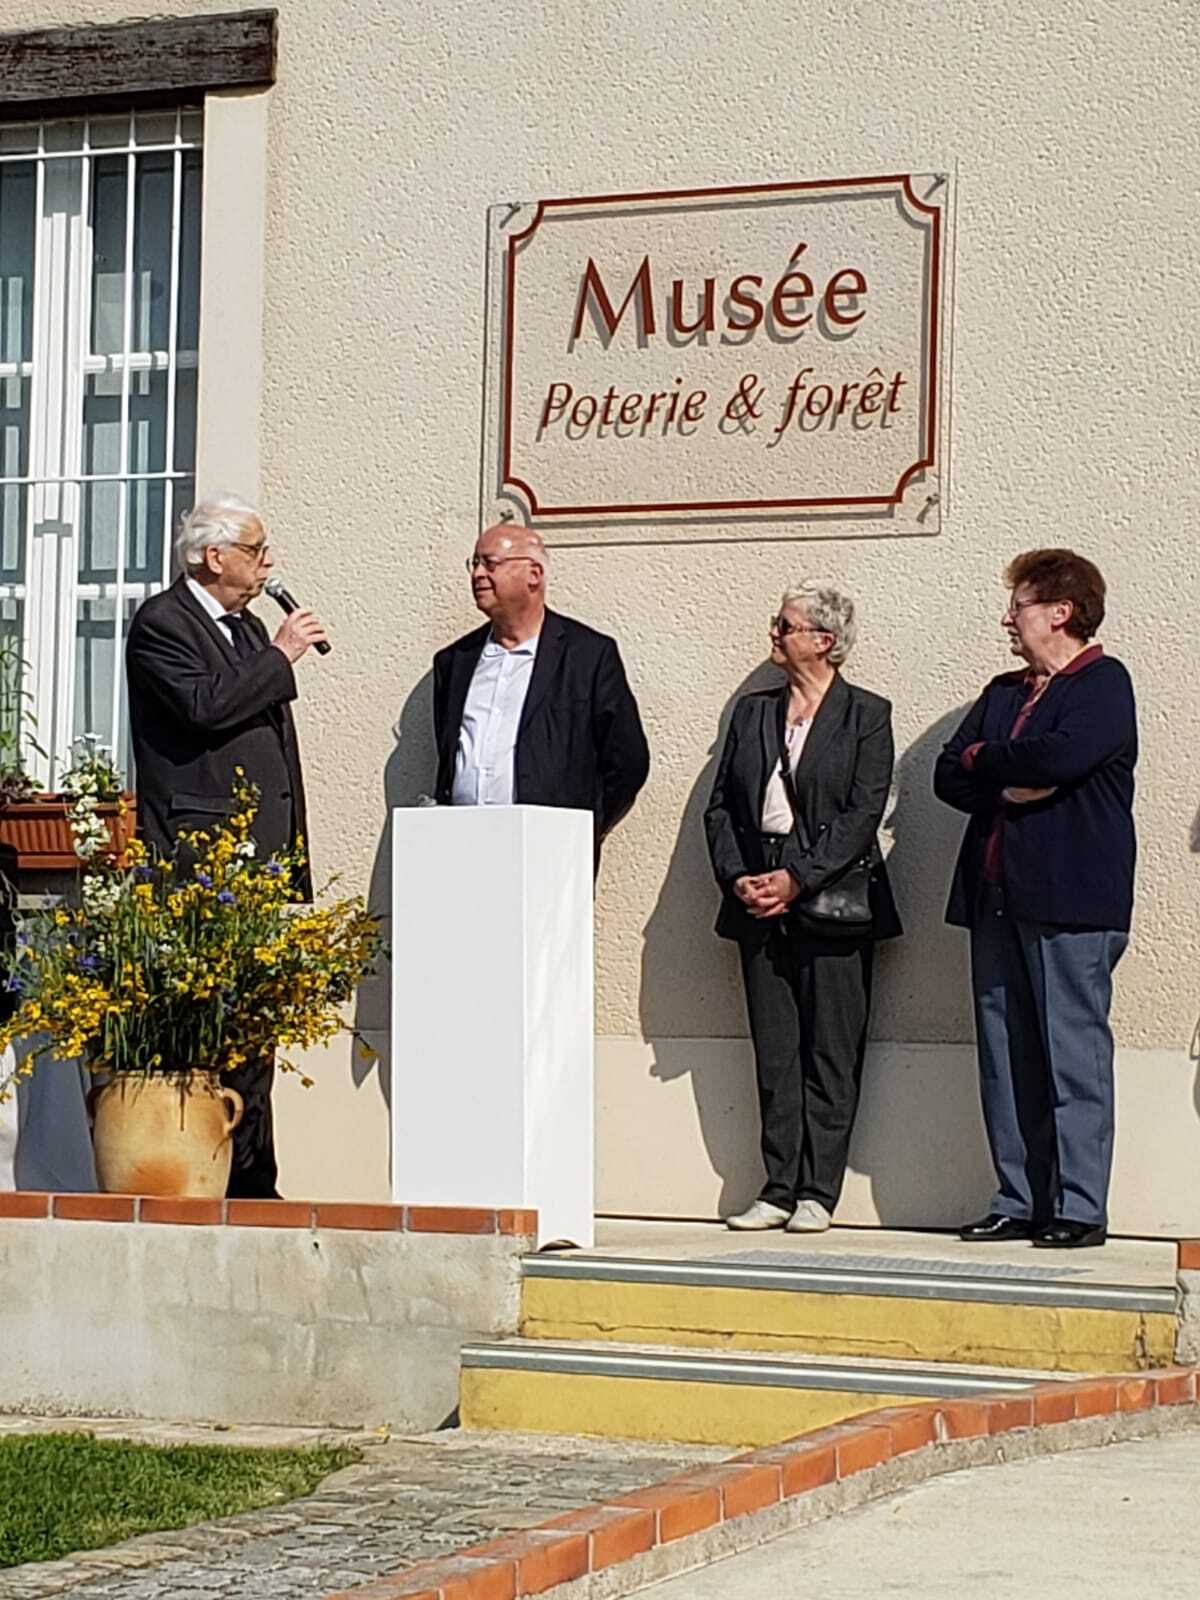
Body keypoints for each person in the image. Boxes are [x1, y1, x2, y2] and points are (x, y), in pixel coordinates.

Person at [125, 494, 328, 1198]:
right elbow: (205, 706)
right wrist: (281, 653)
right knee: (205, 1025)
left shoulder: (242, 630)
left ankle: (254, 1179)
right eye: (256, 550)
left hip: (256, 857)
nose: (268, 564)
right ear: (215, 557)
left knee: (254, 1024)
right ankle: (202, 1175)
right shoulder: (163, 623)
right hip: (199, 857)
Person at [934, 549, 1136, 1250]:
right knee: (1004, 1054)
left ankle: (1078, 1206)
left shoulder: (1104, 684)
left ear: (1061, 611)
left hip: (1071, 902)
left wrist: (984, 760)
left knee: (1070, 1054)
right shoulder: (1002, 692)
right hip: (995, 896)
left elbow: (1062, 757)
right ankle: (1019, 1199)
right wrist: (992, 768)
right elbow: (946, 774)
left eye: (1018, 605)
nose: (1006, 619)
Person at [705, 580, 901, 1234]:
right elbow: (721, 808)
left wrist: (797, 877)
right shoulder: (752, 712)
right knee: (777, 1048)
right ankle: (778, 1186)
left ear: (825, 640)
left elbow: (861, 815)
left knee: (830, 1051)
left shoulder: (866, 715)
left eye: (785, 625)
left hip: (832, 898)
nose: (774, 634)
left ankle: (819, 1190)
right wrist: (739, 876)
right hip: (758, 891)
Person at [433, 522, 649, 867]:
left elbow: (627, 760)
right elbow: (448, 751)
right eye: (473, 563)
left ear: (534, 574)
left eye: (490, 563)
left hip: (551, 854)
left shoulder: (587, 656)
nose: (477, 574)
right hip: (463, 848)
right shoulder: (455, 661)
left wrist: (583, 828)